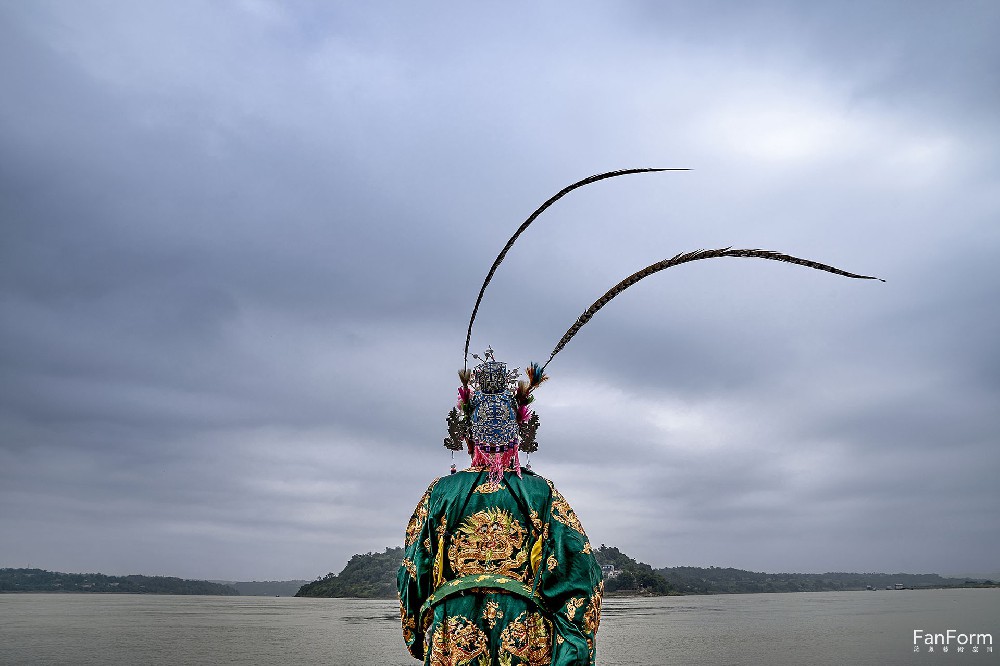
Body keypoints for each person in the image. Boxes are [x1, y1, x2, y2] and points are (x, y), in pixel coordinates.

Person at [397, 351, 603, 665]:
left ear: (468, 441)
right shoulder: (541, 493)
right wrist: (571, 645)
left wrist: (418, 630)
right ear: (517, 441)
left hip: (452, 629)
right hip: (524, 629)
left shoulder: (440, 492)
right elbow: (580, 570)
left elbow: (413, 569)